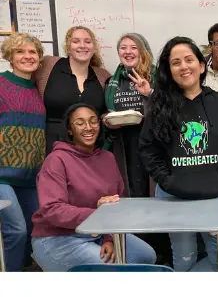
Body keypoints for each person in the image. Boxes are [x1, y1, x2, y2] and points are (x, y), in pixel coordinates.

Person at [138, 37, 218, 272]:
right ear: (169, 70)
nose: (184, 66)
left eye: (189, 60)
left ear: (201, 65)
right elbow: (148, 149)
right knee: (185, 256)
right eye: (176, 62)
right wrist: (167, 181)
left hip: (214, 195)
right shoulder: (159, 106)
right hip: (173, 195)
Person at [31, 103, 156, 271]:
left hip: (96, 234)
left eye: (93, 121)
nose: (88, 127)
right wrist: (98, 215)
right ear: (69, 129)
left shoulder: (108, 158)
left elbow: (117, 203)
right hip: (57, 238)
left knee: (146, 256)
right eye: (80, 123)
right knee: (114, 271)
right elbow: (52, 210)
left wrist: (109, 238)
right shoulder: (56, 160)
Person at [0, 33, 46, 271]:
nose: (27, 56)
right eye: (20, 52)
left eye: (32, 52)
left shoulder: (40, 89)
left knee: (36, 231)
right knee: (16, 230)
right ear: (10, 57)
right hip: (2, 177)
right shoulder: (1, 83)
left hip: (31, 178)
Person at [33, 26, 111, 155]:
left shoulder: (103, 76)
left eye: (87, 41)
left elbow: (106, 111)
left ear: (94, 48)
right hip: (50, 148)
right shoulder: (48, 65)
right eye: (76, 41)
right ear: (68, 47)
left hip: (90, 150)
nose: (82, 46)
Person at [104, 33, 155, 197]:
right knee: (129, 193)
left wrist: (149, 93)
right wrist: (106, 120)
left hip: (152, 144)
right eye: (123, 48)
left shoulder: (158, 77)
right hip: (123, 145)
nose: (128, 52)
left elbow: (170, 108)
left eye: (134, 47)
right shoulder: (111, 81)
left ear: (143, 51)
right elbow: (104, 111)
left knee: (152, 194)